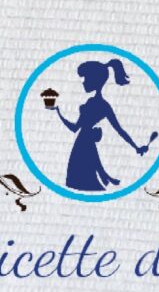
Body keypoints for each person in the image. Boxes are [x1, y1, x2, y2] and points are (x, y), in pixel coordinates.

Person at [52, 57, 152, 192]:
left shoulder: (101, 106)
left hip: (83, 144)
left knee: (82, 182)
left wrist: (136, 147)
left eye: (85, 79)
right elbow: (76, 128)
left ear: (95, 80)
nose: (83, 82)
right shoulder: (96, 104)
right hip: (83, 144)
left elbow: (119, 130)